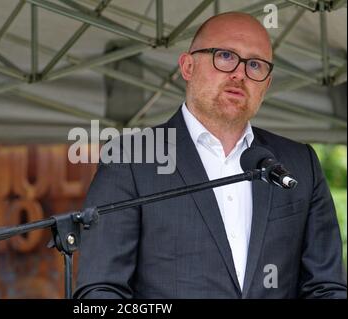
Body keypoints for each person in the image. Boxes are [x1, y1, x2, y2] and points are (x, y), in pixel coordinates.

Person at [73, 12, 347, 298]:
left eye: (255, 64)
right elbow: (101, 291)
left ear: (265, 85)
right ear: (188, 66)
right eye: (225, 56)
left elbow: (325, 287)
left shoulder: (300, 163)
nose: (240, 74)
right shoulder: (130, 159)